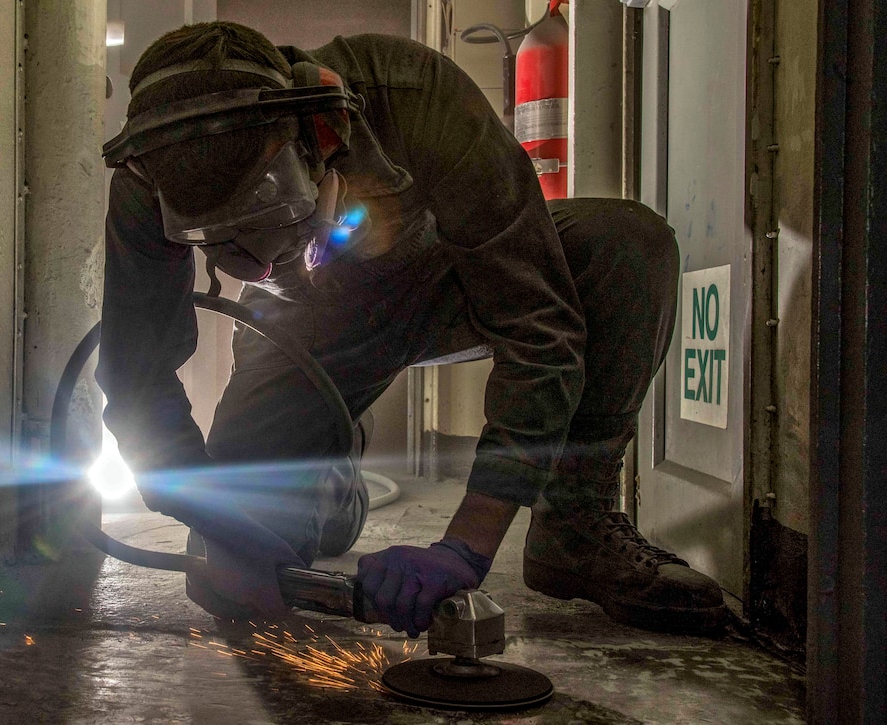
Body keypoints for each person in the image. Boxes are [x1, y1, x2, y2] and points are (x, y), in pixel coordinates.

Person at [97, 21, 725, 637]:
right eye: (216, 239)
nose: (254, 263)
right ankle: (333, 472)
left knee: (625, 246)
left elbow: (539, 326)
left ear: (320, 133)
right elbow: (135, 374)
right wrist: (217, 522)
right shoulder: (147, 174)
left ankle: (576, 524)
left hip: (447, 282)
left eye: (271, 212)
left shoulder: (410, 93)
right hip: (300, 330)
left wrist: (468, 547)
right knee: (231, 579)